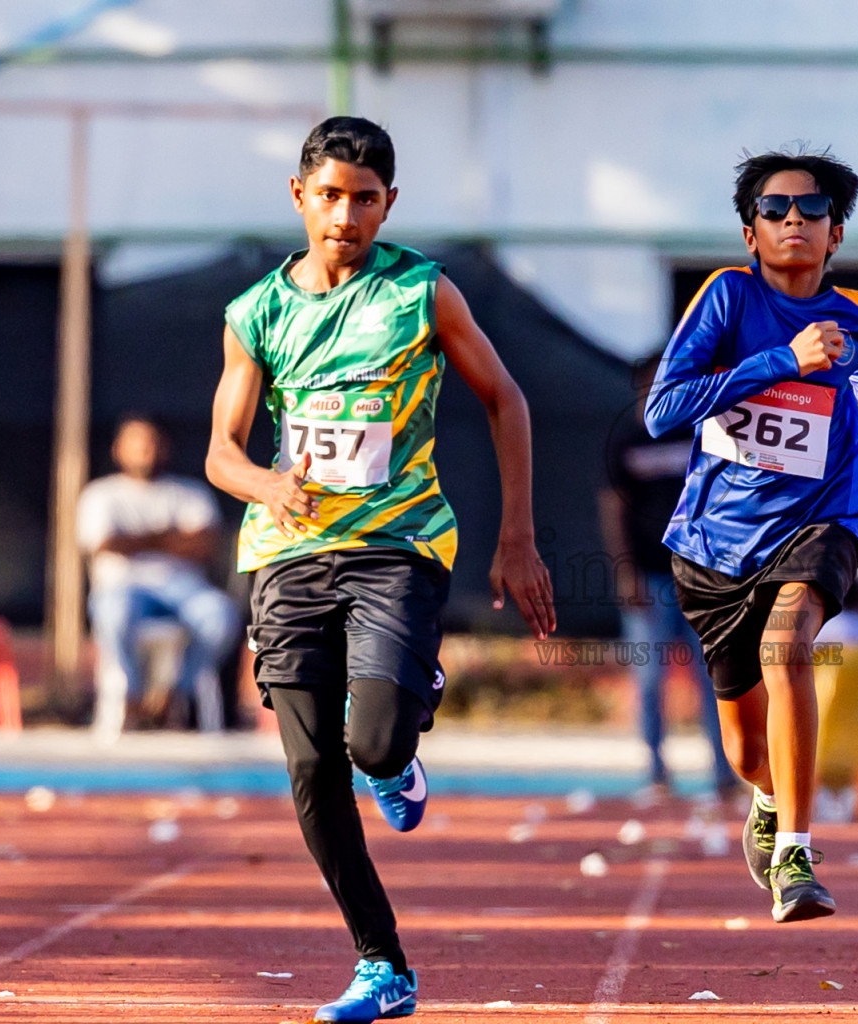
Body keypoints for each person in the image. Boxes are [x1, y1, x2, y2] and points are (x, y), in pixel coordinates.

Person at [205, 117, 554, 1022]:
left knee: (374, 744)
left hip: (395, 547)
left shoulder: (422, 293)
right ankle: (382, 965)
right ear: (299, 196)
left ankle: (406, 724)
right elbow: (221, 454)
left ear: (389, 204)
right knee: (314, 772)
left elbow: (505, 400)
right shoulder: (257, 314)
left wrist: (517, 538)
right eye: (329, 196)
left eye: (365, 200)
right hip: (287, 555)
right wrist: (267, 484)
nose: (346, 215)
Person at [646, 148, 858, 922]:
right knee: (745, 750)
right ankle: (768, 792)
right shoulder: (726, 298)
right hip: (715, 544)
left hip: (819, 521)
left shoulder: (853, 316)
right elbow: (664, 409)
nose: (795, 220)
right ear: (750, 233)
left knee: (787, 645)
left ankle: (796, 853)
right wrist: (780, 361)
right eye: (774, 209)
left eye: (812, 209)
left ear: (837, 233)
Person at [600, 383, 738, 803]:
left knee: (715, 680)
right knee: (650, 679)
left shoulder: (701, 434)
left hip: (699, 579)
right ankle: (657, 774)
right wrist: (625, 572)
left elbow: (725, 501)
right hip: (648, 577)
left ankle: (725, 774)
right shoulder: (626, 441)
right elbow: (613, 509)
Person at [78, 414, 238, 733]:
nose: (144, 451)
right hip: (123, 586)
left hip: (183, 589)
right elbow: (105, 543)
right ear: (118, 450)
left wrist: (137, 540)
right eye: (136, 444)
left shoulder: (190, 492)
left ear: (164, 448)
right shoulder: (101, 494)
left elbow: (206, 544)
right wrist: (172, 537)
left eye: (151, 444)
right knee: (112, 612)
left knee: (221, 615)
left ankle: (175, 693)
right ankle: (133, 694)